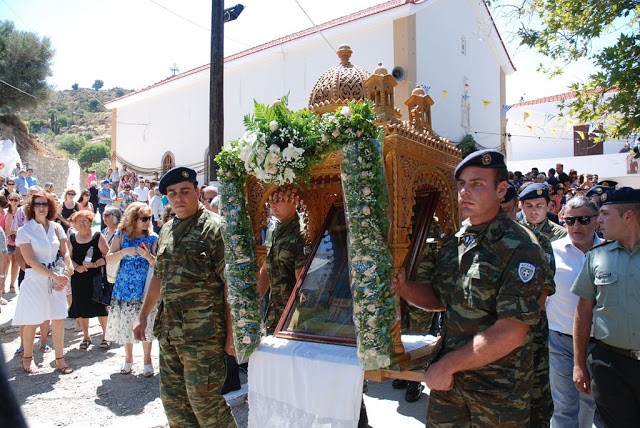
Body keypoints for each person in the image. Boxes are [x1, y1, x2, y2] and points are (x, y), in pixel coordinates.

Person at [394, 149, 548, 427]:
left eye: (476, 184)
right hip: (450, 387)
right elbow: (441, 298)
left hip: (497, 390)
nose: (465, 191)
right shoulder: (455, 241)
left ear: (501, 190)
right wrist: (403, 287)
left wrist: (446, 365)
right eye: (462, 184)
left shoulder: (521, 246)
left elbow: (511, 332)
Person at [133, 166, 237, 427]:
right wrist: (143, 316)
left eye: (184, 192)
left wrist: (232, 333)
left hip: (203, 336)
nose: (178, 198)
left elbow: (230, 287)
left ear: (197, 193)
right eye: (172, 193)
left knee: (206, 405)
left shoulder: (216, 229)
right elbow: (159, 275)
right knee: (175, 405)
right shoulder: (167, 230)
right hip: (169, 332)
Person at [571, 187, 640, 427]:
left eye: (605, 214)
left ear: (628, 216)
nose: (598, 220)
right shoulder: (597, 256)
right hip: (611, 365)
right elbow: (583, 311)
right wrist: (579, 364)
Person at [546, 196, 603, 428]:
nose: (576, 226)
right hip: (560, 342)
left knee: (592, 404)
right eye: (570, 221)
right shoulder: (552, 252)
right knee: (564, 407)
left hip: (599, 343)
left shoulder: (610, 250)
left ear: (597, 220)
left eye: (583, 219)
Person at [11, 191, 73, 374]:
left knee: (59, 318)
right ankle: (27, 358)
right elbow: (29, 260)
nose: (41, 207)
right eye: (37, 204)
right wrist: (55, 277)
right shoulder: (24, 231)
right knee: (32, 319)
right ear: (31, 207)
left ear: (50, 206)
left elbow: (65, 251)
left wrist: (66, 269)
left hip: (56, 276)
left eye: (44, 204)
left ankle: (60, 359)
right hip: (35, 279)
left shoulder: (56, 227)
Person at [105, 202, 158, 377]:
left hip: (144, 288)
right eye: (143, 218)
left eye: (148, 218)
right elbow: (109, 259)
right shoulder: (121, 235)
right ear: (133, 219)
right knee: (126, 324)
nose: (147, 222)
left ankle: (147, 361)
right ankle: (128, 360)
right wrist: (124, 251)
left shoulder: (153, 238)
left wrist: (149, 257)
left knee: (146, 323)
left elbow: (159, 265)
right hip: (124, 288)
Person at [258, 190, 307, 335]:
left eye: (278, 201)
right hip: (274, 313)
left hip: (293, 315)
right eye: (270, 201)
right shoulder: (274, 229)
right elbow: (268, 266)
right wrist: (257, 296)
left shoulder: (302, 233)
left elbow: (302, 282)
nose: (272, 206)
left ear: (294, 199)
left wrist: (295, 318)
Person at [68, 211, 110, 349]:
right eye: (78, 221)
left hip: (95, 278)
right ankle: (86, 337)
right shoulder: (72, 237)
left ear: (91, 221)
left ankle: (106, 336)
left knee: (100, 307)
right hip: (78, 278)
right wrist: (76, 267)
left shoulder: (97, 236)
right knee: (81, 308)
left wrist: (95, 264)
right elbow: (68, 257)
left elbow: (108, 255)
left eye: (85, 220)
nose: (82, 223)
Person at [4, 193, 21, 294]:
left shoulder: (21, 212)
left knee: (16, 263)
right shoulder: (5, 213)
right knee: (6, 263)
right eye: (11, 200)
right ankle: (3, 284)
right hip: (7, 240)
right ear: (8, 200)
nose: (14, 202)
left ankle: (12, 285)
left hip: (18, 240)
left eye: (16, 200)